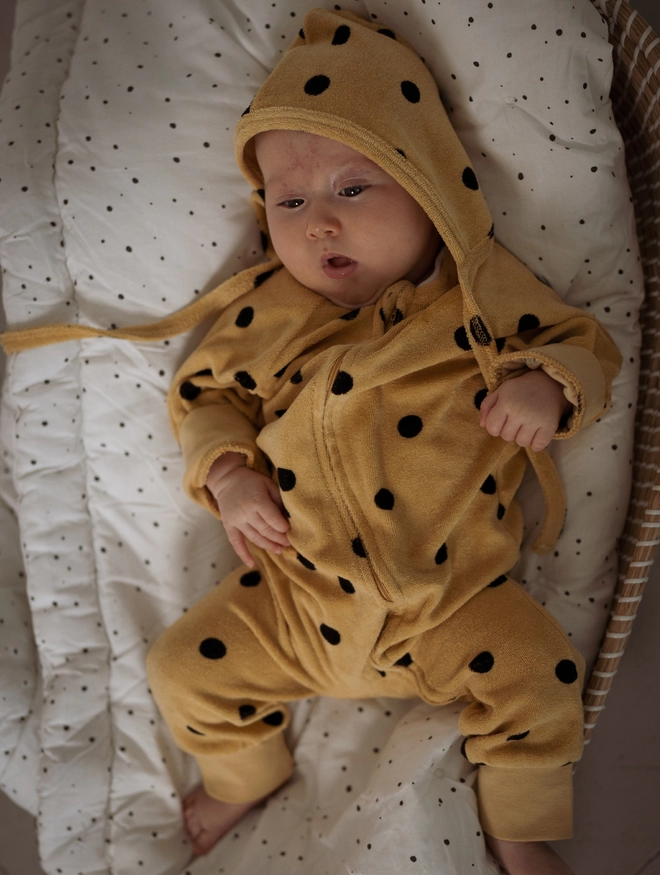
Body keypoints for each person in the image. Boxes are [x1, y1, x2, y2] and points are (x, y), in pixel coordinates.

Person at [1, 8, 614, 874]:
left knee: (535, 668)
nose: (318, 221)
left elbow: (585, 343)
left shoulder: (477, 295)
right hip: (299, 602)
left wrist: (545, 387)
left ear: (431, 187)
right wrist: (229, 475)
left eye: (352, 188)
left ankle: (519, 822)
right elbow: (206, 396)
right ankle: (245, 770)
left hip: (450, 600)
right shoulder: (266, 313)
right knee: (184, 668)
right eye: (290, 201)